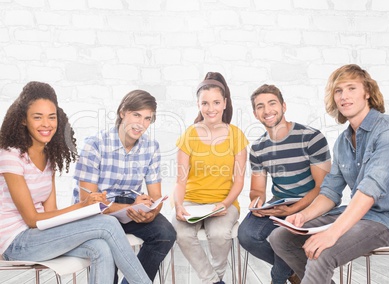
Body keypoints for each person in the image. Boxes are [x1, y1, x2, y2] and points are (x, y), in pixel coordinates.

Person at [0, 81, 151, 284]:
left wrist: (87, 209)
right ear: (24, 120)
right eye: (38, 117)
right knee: (108, 224)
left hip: (39, 236)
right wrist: (81, 206)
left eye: (51, 117)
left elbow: (50, 214)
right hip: (16, 243)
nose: (46, 124)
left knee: (101, 248)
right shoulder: (10, 156)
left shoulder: (49, 157)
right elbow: (32, 219)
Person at [270, 64, 389, 284]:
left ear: (367, 92)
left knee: (322, 251)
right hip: (356, 215)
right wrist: (304, 216)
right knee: (281, 238)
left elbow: (369, 189)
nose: (344, 96)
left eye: (351, 88)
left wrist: (333, 233)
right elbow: (330, 192)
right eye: (338, 91)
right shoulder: (342, 142)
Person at [72, 89, 176, 283]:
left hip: (130, 206)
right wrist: (127, 208)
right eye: (136, 115)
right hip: (97, 209)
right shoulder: (95, 144)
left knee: (166, 233)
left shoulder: (151, 147)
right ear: (122, 112)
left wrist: (151, 212)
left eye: (147, 118)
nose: (141, 124)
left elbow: (155, 196)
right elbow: (87, 201)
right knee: (105, 248)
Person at [237, 84, 332, 284]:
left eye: (272, 103)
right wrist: (257, 203)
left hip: (313, 203)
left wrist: (292, 210)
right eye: (260, 106)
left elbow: (322, 187)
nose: (267, 110)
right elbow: (257, 190)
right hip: (279, 201)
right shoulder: (258, 148)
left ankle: (279, 279)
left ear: (284, 106)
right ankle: (296, 272)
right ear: (255, 114)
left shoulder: (311, 137)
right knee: (246, 235)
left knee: (282, 234)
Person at [172, 72, 249, 284]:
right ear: (198, 104)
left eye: (216, 102)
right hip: (191, 201)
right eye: (205, 103)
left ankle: (215, 279)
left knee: (219, 234)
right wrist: (178, 205)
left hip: (223, 201)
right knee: (181, 234)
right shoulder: (189, 135)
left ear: (225, 103)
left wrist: (224, 204)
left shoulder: (236, 136)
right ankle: (214, 281)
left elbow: (239, 181)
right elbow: (180, 181)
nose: (211, 108)